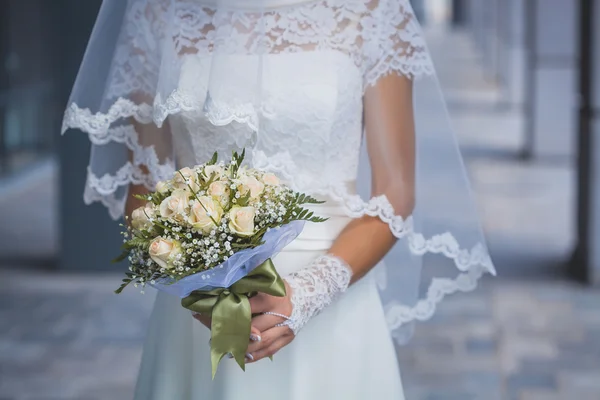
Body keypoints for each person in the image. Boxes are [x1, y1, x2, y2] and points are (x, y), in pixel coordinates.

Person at [62, 0, 496, 398]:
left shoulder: (371, 10)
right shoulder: (159, 11)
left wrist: (307, 295)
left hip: (333, 302)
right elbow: (143, 192)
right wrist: (200, 280)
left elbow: (395, 192)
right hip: (197, 318)